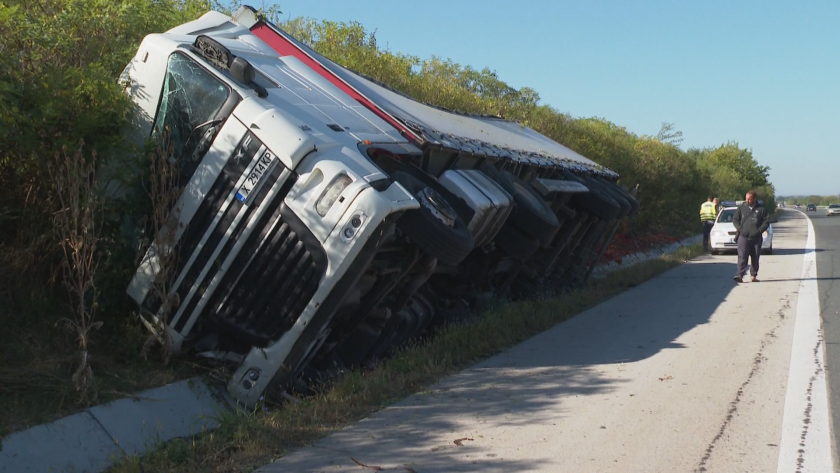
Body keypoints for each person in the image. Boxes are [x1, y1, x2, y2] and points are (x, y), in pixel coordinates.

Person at [732, 190, 770, 283]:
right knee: (742, 256)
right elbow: (735, 220)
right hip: (743, 237)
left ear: (754, 199)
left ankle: (753, 275)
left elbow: (766, 222)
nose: (747, 200)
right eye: (746, 199)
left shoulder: (761, 209)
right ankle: (739, 275)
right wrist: (740, 229)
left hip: (756, 238)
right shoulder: (741, 208)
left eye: (749, 199)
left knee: (755, 257)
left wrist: (759, 231)